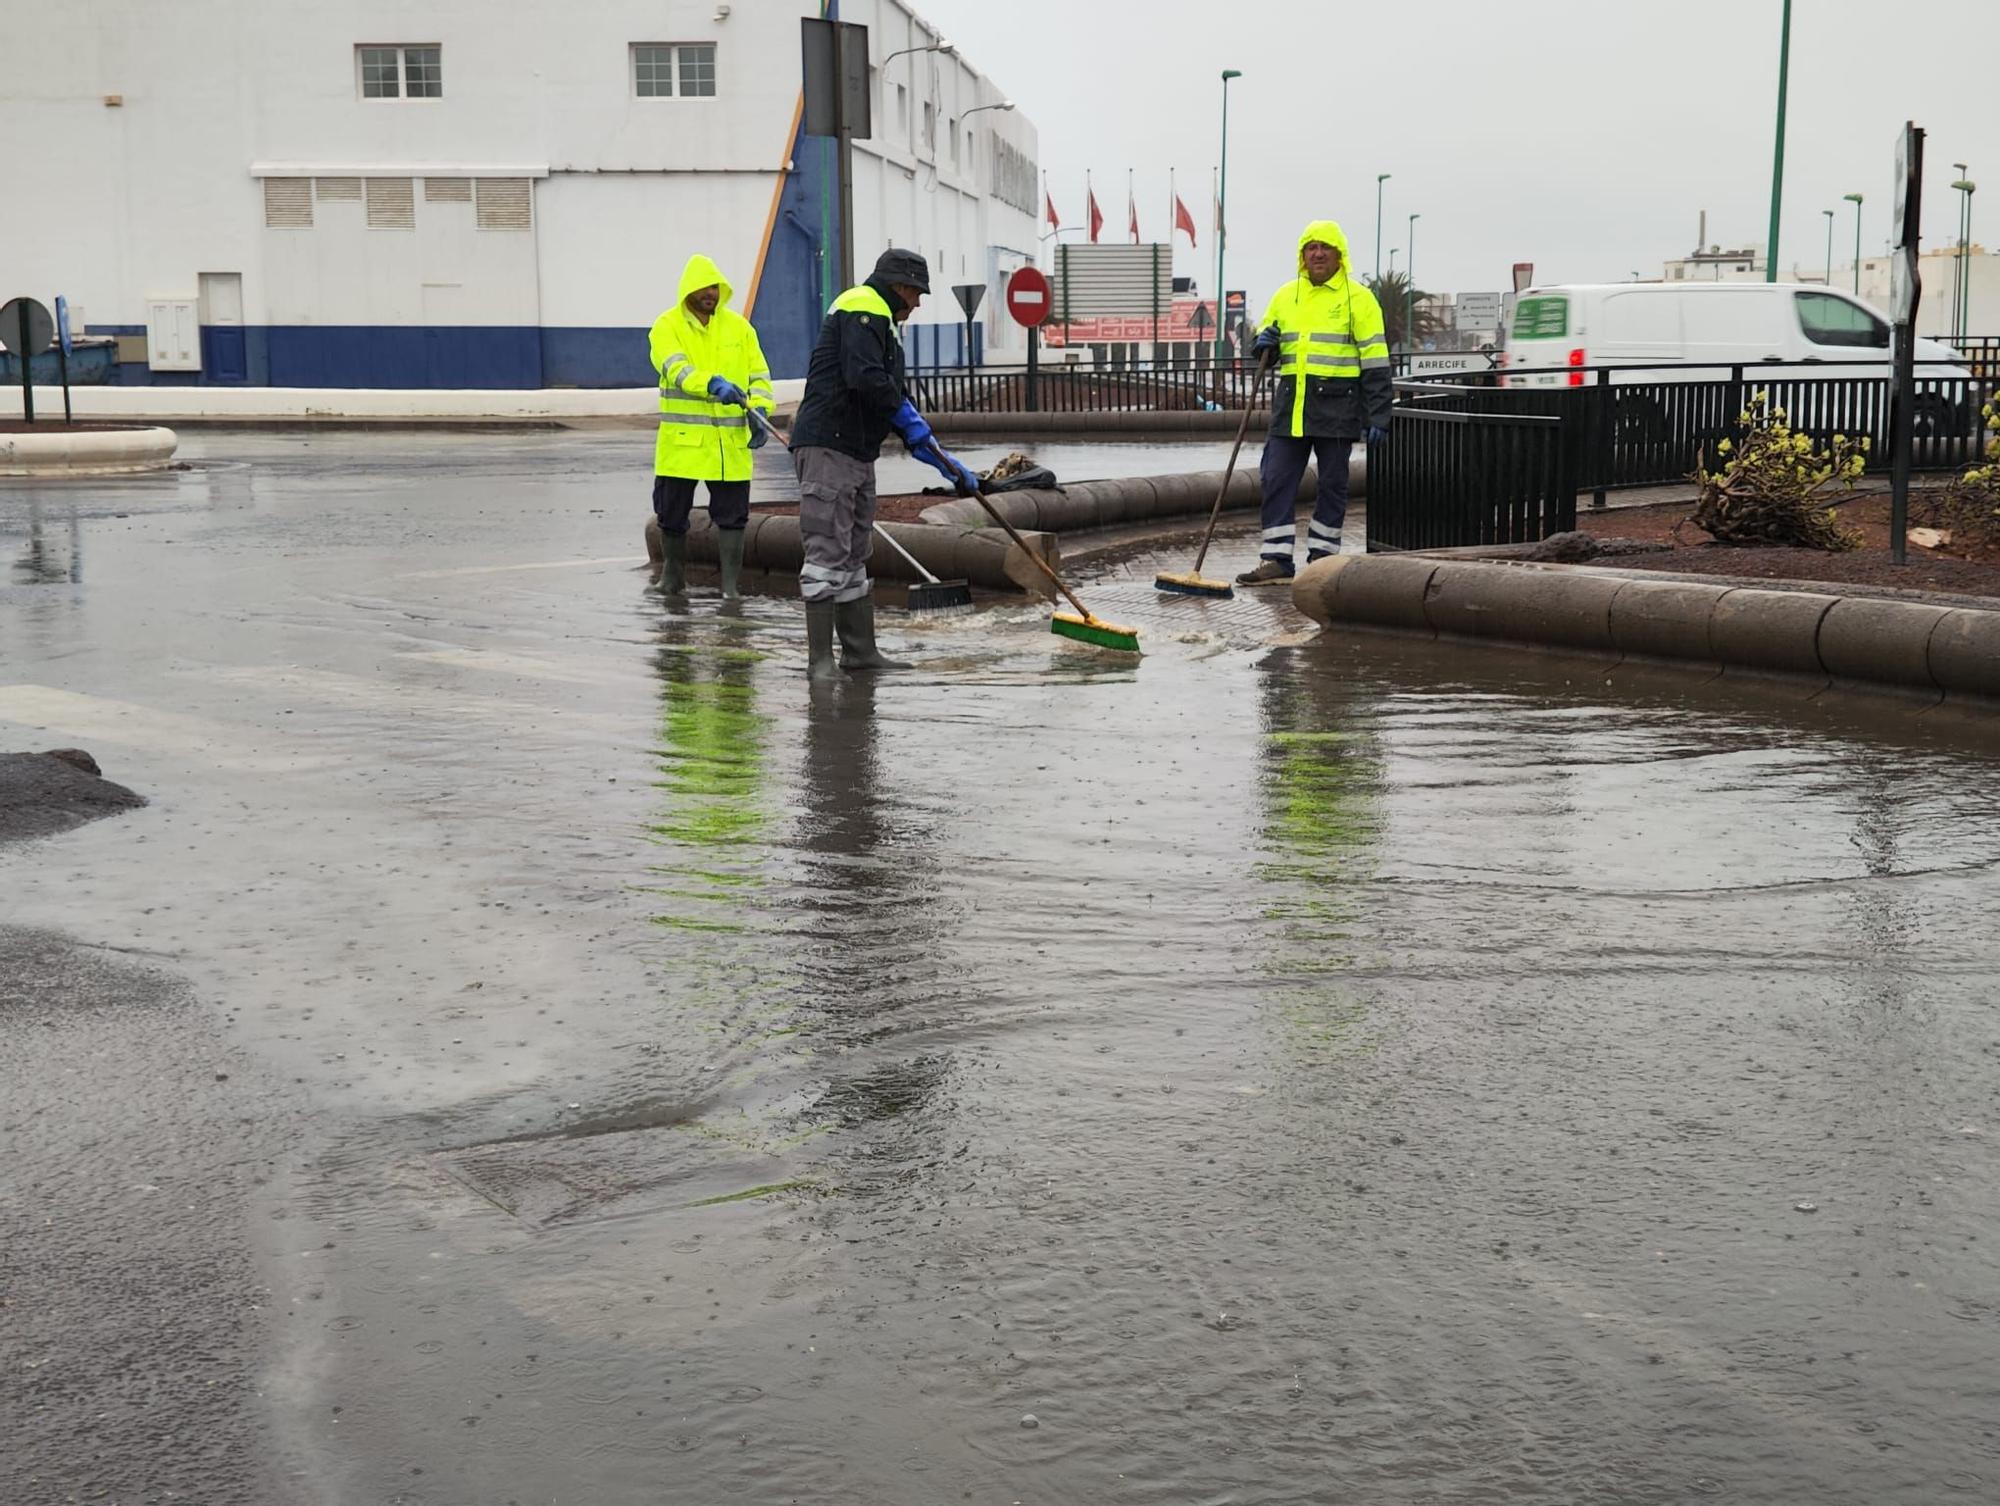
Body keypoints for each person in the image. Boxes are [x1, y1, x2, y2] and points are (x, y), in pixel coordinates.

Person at [788, 248, 981, 680]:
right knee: (826, 550)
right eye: (917, 293)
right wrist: (910, 421)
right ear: (900, 286)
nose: (918, 303)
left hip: (856, 448)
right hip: (829, 446)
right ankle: (820, 661)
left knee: (855, 551)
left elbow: (886, 391)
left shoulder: (882, 321)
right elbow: (866, 379)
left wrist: (935, 454)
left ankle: (860, 652)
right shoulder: (862, 307)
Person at [1237, 220, 1392, 586]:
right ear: (1302, 255)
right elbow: (1263, 351)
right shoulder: (1286, 295)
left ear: (1340, 255)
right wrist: (1262, 344)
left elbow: (1375, 362)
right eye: (1311, 247)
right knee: (1275, 479)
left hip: (1338, 409)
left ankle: (1323, 559)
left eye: (1325, 247)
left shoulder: (1359, 299)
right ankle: (1275, 558)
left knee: (1333, 484)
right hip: (1291, 407)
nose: (1318, 253)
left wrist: (1379, 414)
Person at [648, 252, 775, 601]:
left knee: (733, 517)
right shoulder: (666, 326)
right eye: (704, 288)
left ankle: (730, 588)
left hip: (729, 444)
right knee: (671, 515)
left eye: (715, 288)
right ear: (688, 290)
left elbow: (760, 375)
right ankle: (672, 578)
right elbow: (676, 369)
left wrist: (760, 411)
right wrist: (712, 383)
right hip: (684, 445)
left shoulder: (739, 328)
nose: (711, 294)